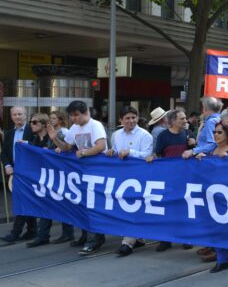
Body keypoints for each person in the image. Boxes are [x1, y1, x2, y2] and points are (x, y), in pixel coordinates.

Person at [48, 101, 109, 255]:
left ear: (85, 112)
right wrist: (55, 139)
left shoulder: (95, 125)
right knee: (82, 204)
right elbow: (67, 147)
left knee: (92, 206)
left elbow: (101, 145)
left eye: (76, 115)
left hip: (97, 170)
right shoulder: (74, 128)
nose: (74, 119)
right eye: (72, 116)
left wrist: (84, 153)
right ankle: (85, 235)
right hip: (83, 171)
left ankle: (95, 239)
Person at [193, 120, 228, 273]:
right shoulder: (212, 150)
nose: (216, 135)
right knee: (215, 228)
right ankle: (222, 259)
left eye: (219, 132)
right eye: (214, 132)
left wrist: (227, 161)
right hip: (212, 195)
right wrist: (202, 160)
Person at [146, 108, 195, 254]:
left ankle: (186, 238)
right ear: (173, 121)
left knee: (183, 208)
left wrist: (194, 144)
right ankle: (165, 239)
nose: (185, 121)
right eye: (182, 118)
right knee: (167, 208)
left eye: (185, 118)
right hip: (168, 178)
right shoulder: (163, 136)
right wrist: (152, 158)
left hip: (185, 178)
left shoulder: (187, 134)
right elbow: (157, 154)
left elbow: (195, 151)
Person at [106, 107, 154, 257]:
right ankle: (137, 237)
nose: (131, 120)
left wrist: (131, 152)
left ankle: (127, 242)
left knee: (132, 207)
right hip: (122, 177)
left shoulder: (145, 135)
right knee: (125, 207)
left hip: (139, 177)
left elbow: (147, 154)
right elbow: (114, 150)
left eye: (134, 117)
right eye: (127, 118)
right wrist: (111, 152)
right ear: (121, 120)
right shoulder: (115, 135)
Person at [26, 113, 72, 247]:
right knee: (44, 205)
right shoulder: (34, 139)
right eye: (31, 122)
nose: (31, 125)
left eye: (34, 122)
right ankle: (43, 236)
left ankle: (68, 233)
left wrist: (56, 150)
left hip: (58, 176)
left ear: (43, 124)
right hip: (43, 177)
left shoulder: (55, 136)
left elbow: (67, 151)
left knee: (63, 204)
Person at [1, 106, 35, 243]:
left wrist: (27, 144)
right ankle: (33, 231)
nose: (17, 117)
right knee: (25, 201)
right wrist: (7, 165)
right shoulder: (9, 133)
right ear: (11, 117)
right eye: (15, 114)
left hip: (29, 172)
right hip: (15, 172)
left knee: (23, 202)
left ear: (25, 115)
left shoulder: (32, 131)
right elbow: (3, 153)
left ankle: (15, 233)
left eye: (20, 114)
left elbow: (37, 147)